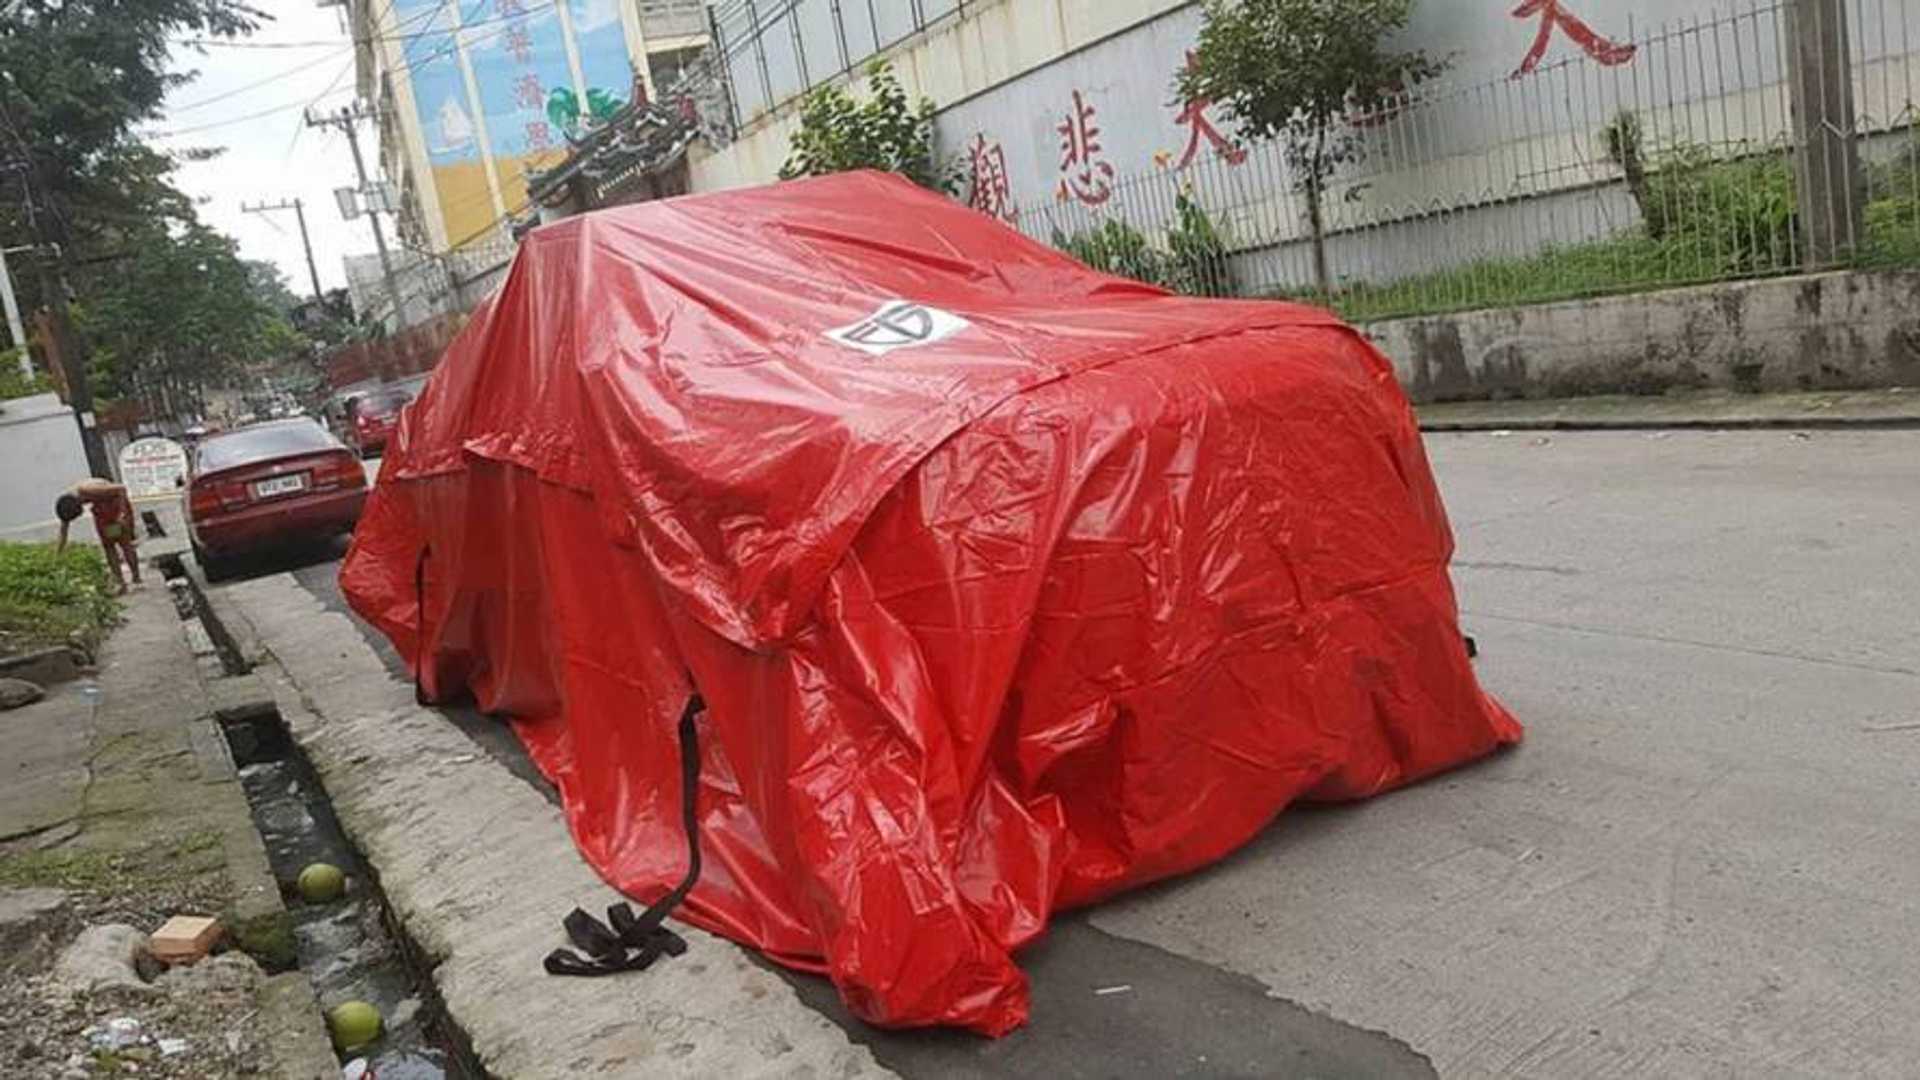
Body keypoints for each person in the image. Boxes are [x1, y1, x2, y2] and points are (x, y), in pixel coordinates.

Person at [54, 478, 143, 594]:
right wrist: (57, 557)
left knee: (124, 544)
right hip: (101, 510)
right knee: (108, 546)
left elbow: (121, 489)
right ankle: (120, 582)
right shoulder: (67, 505)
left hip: (116, 504)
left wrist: (122, 513)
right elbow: (63, 531)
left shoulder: (88, 490)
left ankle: (136, 578)